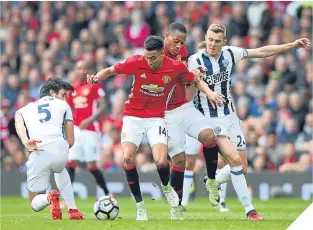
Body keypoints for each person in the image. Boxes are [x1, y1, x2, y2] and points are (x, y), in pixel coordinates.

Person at [185, 23, 311, 221]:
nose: (212, 44)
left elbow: (261, 52)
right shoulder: (195, 59)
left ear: (223, 42)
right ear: (206, 37)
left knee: (242, 167)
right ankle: (250, 211)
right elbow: (197, 81)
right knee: (233, 160)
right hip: (209, 118)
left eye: (217, 41)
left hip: (231, 116)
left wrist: (291, 46)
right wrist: (210, 93)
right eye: (209, 39)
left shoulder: (230, 53)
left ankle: (214, 180)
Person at [87, 35, 203, 221]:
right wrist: (96, 78)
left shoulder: (174, 67)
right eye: (147, 57)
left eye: (153, 58)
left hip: (156, 118)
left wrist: (198, 75)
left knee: (160, 161)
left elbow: (191, 78)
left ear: (161, 54)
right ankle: (140, 206)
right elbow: (110, 70)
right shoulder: (136, 61)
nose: (149, 61)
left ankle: (166, 188)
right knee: (127, 158)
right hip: (133, 116)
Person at [159, 22, 226, 220]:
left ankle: (212, 180)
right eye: (175, 41)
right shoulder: (156, 54)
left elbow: (188, 80)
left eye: (182, 42)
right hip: (165, 113)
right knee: (179, 160)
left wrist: (195, 75)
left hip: (184, 106)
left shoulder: (184, 52)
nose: (179, 46)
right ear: (166, 36)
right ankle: (176, 208)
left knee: (209, 136)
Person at [14, 77, 84, 220]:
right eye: (64, 95)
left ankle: (49, 197)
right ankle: (73, 210)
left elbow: (18, 118)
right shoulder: (65, 106)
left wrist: (25, 141)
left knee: (34, 202)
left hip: (37, 149)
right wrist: (63, 146)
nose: (65, 99)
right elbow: (71, 140)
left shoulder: (26, 108)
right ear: (52, 92)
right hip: (59, 148)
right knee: (60, 169)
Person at [66, 60, 111, 202]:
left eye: (85, 68)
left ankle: (107, 193)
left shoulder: (94, 85)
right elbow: (69, 109)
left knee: (91, 165)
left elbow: (104, 104)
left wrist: (90, 120)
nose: (83, 71)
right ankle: (68, 198)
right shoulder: (72, 88)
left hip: (91, 130)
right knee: (71, 161)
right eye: (80, 68)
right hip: (77, 129)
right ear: (75, 70)